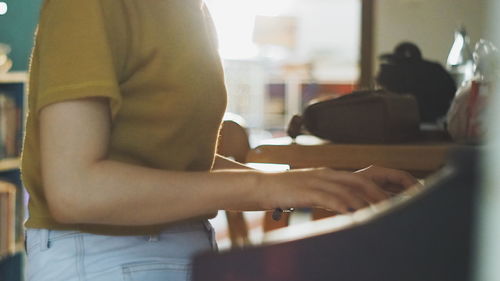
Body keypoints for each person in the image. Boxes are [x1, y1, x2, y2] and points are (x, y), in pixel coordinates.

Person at [21, 0, 419, 281]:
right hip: (104, 258)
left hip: (179, 251)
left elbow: (178, 167)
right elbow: (75, 190)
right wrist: (268, 186)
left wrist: (313, 182)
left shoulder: (194, 11)